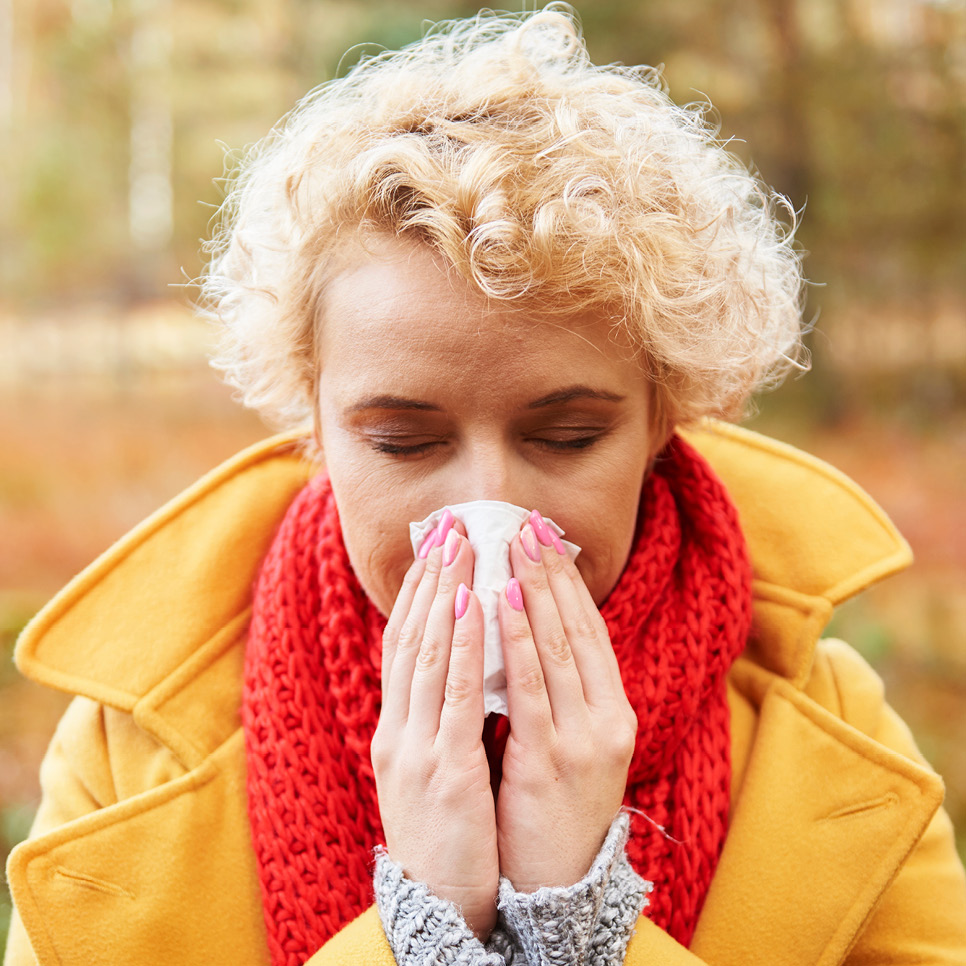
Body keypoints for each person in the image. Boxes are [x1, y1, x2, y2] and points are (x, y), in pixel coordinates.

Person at [5, 7, 965, 966]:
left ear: (662, 416)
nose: (490, 508)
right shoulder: (130, 751)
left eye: (567, 435)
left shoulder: (828, 728)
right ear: (314, 424)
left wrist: (578, 923)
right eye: (402, 442)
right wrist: (422, 920)